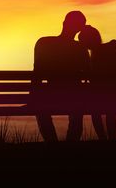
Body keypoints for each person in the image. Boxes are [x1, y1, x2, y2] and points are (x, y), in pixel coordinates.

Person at [32, 11, 90, 142]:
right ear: (79, 29)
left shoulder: (43, 43)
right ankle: (71, 143)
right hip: (75, 97)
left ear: (64, 23)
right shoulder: (80, 48)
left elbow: (37, 75)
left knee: (40, 105)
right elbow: (88, 73)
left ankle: (52, 143)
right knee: (78, 102)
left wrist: (33, 96)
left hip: (51, 96)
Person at [78, 25, 116, 140]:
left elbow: (95, 83)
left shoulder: (95, 58)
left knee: (96, 109)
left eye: (83, 43)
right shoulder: (114, 46)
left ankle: (103, 139)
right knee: (108, 106)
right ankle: (111, 140)